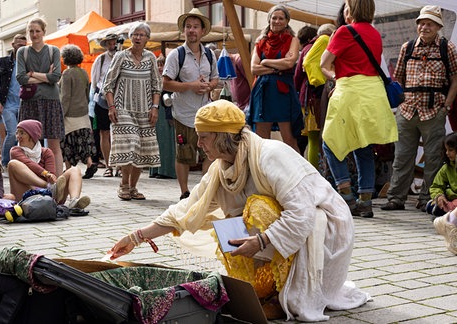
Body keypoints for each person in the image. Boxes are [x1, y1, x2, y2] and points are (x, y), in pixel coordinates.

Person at [109, 100, 370, 321]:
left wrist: (260, 241)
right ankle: (266, 289)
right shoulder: (221, 168)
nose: (199, 144)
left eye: (203, 137)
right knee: (229, 223)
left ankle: (283, 293)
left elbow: (301, 213)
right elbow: (186, 210)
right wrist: (136, 237)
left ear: (222, 136)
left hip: (324, 229)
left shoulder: (270, 155)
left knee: (257, 208)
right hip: (290, 231)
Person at [320, 0, 397, 218]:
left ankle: (346, 197)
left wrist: (336, 78)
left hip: (350, 92)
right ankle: (366, 202)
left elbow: (323, 64)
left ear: (352, 9)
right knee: (363, 147)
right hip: (373, 94)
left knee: (330, 144)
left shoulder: (344, 31)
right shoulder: (374, 33)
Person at [382, 5, 457, 212]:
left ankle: (427, 199)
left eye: (429, 24)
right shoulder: (407, 47)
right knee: (402, 156)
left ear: (438, 26)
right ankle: (396, 197)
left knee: (433, 157)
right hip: (408, 111)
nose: (424, 27)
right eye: (422, 23)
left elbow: (455, 79)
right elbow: (399, 78)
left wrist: (447, 106)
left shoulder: (446, 48)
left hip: (434, 111)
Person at [162, 8, 218, 200]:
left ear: (203, 31)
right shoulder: (176, 55)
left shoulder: (210, 55)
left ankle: (204, 191)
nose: (192, 30)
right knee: (184, 154)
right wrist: (191, 86)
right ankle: (184, 192)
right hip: (183, 114)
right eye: (188, 27)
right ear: (184, 31)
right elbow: (166, 83)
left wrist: (208, 86)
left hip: (205, 113)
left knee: (209, 153)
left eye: (195, 27)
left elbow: (215, 79)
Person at [103, 22, 162, 201]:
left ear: (147, 39)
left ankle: (133, 187)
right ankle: (124, 185)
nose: (138, 37)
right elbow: (108, 84)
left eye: (142, 35)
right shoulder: (121, 56)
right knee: (131, 144)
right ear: (130, 37)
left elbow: (157, 85)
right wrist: (111, 107)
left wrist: (155, 107)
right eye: (135, 34)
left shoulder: (150, 57)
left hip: (145, 110)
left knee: (142, 149)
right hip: (123, 109)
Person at [247, 5, 303, 153]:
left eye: (281, 18)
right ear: (269, 20)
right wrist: (277, 67)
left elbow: (289, 63)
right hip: (262, 91)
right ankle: (263, 174)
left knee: (289, 139)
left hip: (282, 92)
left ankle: (298, 173)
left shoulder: (293, 40)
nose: (277, 21)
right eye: (274, 17)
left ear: (287, 21)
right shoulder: (260, 42)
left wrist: (265, 62)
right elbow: (254, 68)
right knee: (261, 141)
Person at [16, 17, 65, 176]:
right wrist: (45, 76)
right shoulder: (22, 52)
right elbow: (21, 78)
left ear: (44, 32)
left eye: (37, 31)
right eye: (31, 31)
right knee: (26, 145)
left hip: (51, 102)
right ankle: (29, 179)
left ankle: (57, 182)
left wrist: (32, 75)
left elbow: (56, 77)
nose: (34, 34)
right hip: (30, 101)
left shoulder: (53, 51)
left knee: (54, 144)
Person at [7, 119, 90, 210]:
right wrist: (45, 175)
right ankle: (50, 188)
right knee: (12, 164)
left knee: (75, 169)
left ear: (32, 135)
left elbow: (51, 176)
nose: (18, 136)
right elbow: (29, 164)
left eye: (22, 133)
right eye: (17, 133)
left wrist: (50, 178)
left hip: (49, 195)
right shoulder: (15, 150)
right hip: (27, 194)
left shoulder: (46, 152)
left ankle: (74, 202)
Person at [296, 23, 336, 168]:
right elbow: (306, 66)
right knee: (318, 138)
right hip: (317, 96)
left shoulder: (307, 48)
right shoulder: (325, 42)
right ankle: (319, 171)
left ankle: (317, 171)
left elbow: (298, 75)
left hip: (309, 97)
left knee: (313, 138)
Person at [59, 44, 98, 179]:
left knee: (67, 142)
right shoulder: (83, 73)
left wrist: (61, 114)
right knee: (83, 141)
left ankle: (68, 168)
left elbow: (65, 96)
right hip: (83, 112)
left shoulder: (67, 74)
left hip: (70, 113)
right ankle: (89, 163)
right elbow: (87, 92)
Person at [0, 34, 28, 172]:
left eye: (23, 45)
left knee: (24, 134)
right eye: (18, 44)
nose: (21, 47)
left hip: (24, 103)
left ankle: (20, 162)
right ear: (13, 45)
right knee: (12, 133)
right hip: (7, 104)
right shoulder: (3, 62)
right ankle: (5, 161)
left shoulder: (28, 63)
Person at [91, 33, 119, 178]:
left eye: (114, 42)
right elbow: (95, 81)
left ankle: (120, 165)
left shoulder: (123, 56)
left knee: (120, 133)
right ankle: (109, 165)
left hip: (120, 99)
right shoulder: (101, 59)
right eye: (109, 42)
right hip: (102, 100)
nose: (112, 44)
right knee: (104, 132)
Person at [149, 55, 176, 179]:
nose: (160, 68)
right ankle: (154, 169)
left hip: (166, 114)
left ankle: (165, 170)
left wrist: (170, 115)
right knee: (155, 141)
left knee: (165, 142)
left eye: (162, 65)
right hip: (156, 112)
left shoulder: (170, 80)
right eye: (158, 65)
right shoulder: (153, 79)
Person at [426, 133, 457, 218]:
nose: (447, 153)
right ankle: (450, 214)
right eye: (446, 150)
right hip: (451, 199)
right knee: (431, 205)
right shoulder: (446, 168)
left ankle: (449, 215)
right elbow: (436, 186)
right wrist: (439, 196)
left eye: (450, 150)